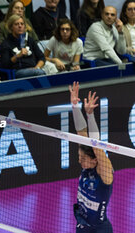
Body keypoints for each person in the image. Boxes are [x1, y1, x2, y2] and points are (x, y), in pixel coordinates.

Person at [69, 81, 113, 233]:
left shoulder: (104, 172)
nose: (80, 161)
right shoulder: (86, 162)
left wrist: (90, 115)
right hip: (82, 224)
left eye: (83, 159)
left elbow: (97, 145)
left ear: (95, 159)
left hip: (100, 230)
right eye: (79, 157)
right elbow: (81, 133)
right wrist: (75, 107)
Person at [0, 15, 45, 79]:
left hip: (34, 69)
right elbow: (5, 64)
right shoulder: (6, 43)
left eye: (22, 24)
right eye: (16, 24)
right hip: (18, 71)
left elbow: (42, 57)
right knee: (40, 73)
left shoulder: (29, 40)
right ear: (11, 27)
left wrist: (36, 68)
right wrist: (17, 56)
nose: (20, 26)